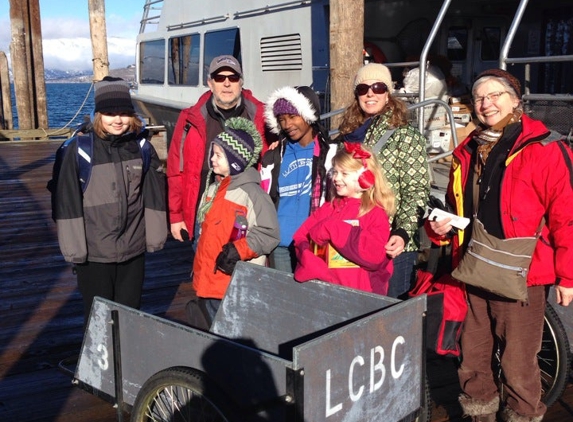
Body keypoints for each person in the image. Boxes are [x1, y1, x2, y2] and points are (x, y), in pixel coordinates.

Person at [428, 68, 573, 422]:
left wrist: (568, 276)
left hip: (521, 271)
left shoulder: (545, 148)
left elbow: (566, 214)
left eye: (495, 95)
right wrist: (441, 227)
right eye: (479, 97)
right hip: (475, 266)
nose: (486, 103)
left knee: (519, 362)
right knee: (473, 355)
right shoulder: (468, 149)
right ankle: (481, 416)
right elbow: (456, 206)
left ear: (515, 100)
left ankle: (523, 416)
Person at [52, 76, 168, 325]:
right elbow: (67, 202)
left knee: (130, 315)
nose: (117, 119)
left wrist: (155, 238)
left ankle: (127, 360)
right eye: (109, 112)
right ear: (98, 114)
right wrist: (76, 252)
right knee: (98, 318)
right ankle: (100, 362)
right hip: (94, 254)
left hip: (133, 250)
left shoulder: (143, 148)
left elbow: (154, 195)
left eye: (124, 112)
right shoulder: (79, 149)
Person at [337, 63, 430, 298]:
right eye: (363, 88)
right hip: (353, 239)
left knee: (387, 320)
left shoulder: (405, 136)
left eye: (378, 87)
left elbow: (416, 191)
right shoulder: (347, 136)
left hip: (391, 243)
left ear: (388, 93)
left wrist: (403, 232)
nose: (370, 93)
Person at [167, 55, 271, 246]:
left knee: (245, 271)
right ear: (210, 83)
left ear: (241, 83)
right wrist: (176, 215)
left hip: (247, 213)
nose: (226, 84)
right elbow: (176, 170)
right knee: (205, 269)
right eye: (219, 78)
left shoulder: (261, 116)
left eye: (232, 78)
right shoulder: (189, 119)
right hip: (205, 213)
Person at [191, 117, 280, 326]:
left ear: (235, 160)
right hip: (207, 279)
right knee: (212, 328)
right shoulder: (212, 190)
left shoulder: (252, 194)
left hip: (233, 282)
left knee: (232, 330)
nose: (212, 159)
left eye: (219, 155)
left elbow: (269, 233)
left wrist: (239, 250)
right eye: (213, 153)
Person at [292, 142, 396, 294]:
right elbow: (301, 237)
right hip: (326, 290)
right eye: (335, 172)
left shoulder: (375, 212)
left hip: (361, 295)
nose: (336, 178)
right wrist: (316, 268)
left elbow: (375, 256)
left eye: (344, 173)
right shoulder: (329, 208)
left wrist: (333, 228)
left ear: (364, 177)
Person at [261, 85, 338, 272]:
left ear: (308, 114)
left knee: (312, 297)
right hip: (280, 244)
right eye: (282, 120)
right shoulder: (274, 156)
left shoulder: (331, 154)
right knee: (283, 299)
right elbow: (265, 198)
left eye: (293, 117)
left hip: (315, 243)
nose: (287, 125)